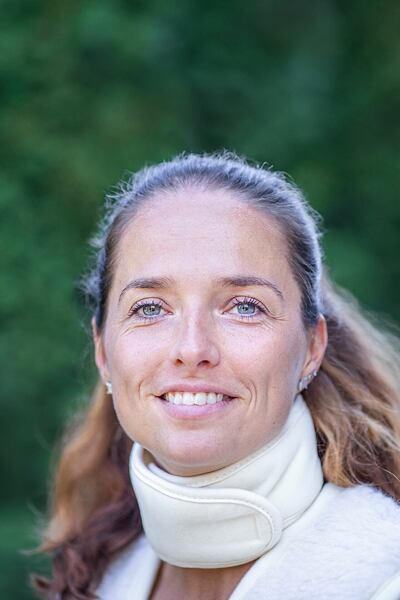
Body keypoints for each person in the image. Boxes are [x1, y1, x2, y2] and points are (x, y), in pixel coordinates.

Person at [34, 153, 400, 600]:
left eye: (244, 307)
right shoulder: (94, 576)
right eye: (149, 308)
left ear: (311, 348)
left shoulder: (385, 579)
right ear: (103, 351)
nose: (192, 349)